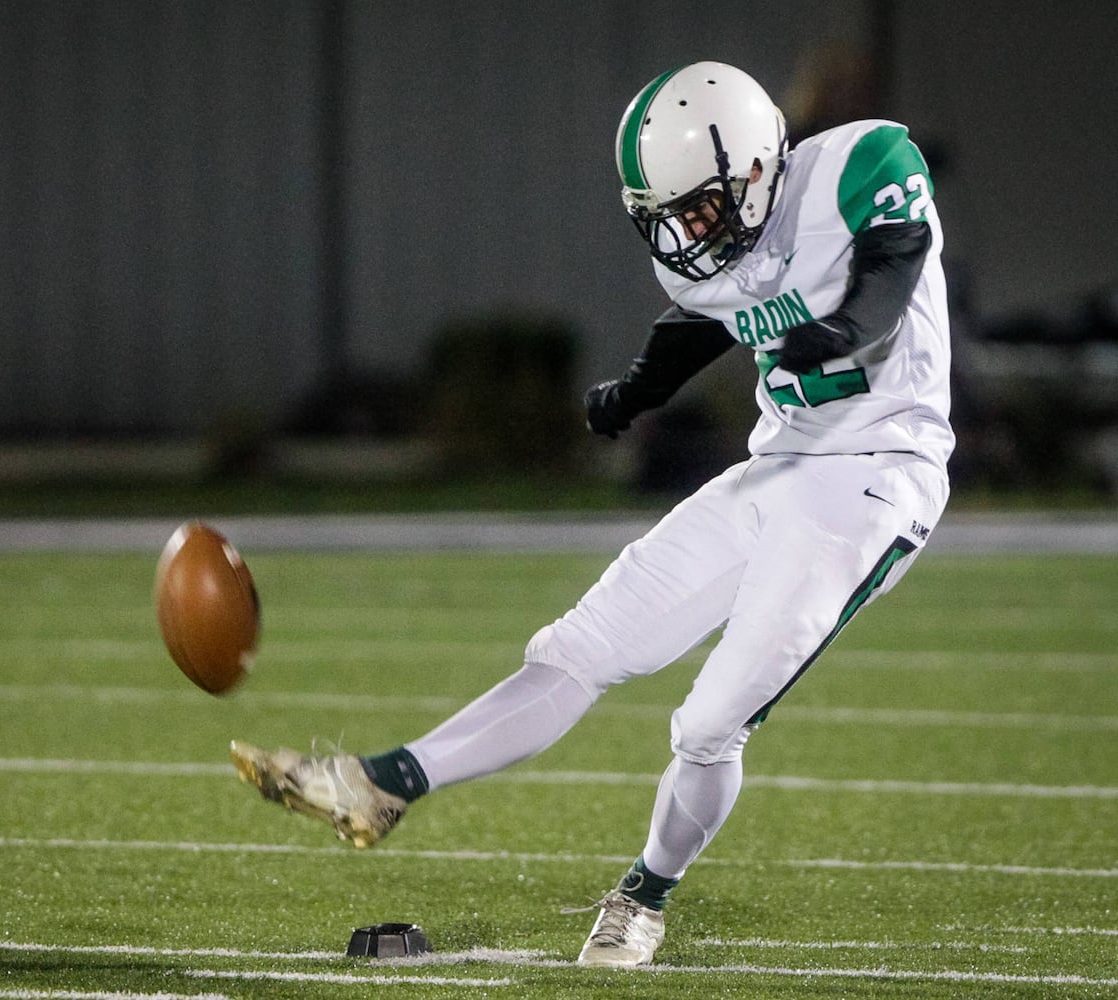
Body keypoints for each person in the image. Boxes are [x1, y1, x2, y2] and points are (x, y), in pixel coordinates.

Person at [230, 60, 953, 968]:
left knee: (705, 724)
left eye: (698, 208)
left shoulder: (861, 163)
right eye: (668, 215)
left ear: (759, 165)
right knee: (575, 648)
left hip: (877, 477)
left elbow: (894, 267)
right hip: (778, 467)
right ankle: (379, 783)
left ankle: (642, 896)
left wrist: (842, 329)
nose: (686, 234)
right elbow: (697, 320)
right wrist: (637, 390)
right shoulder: (714, 236)